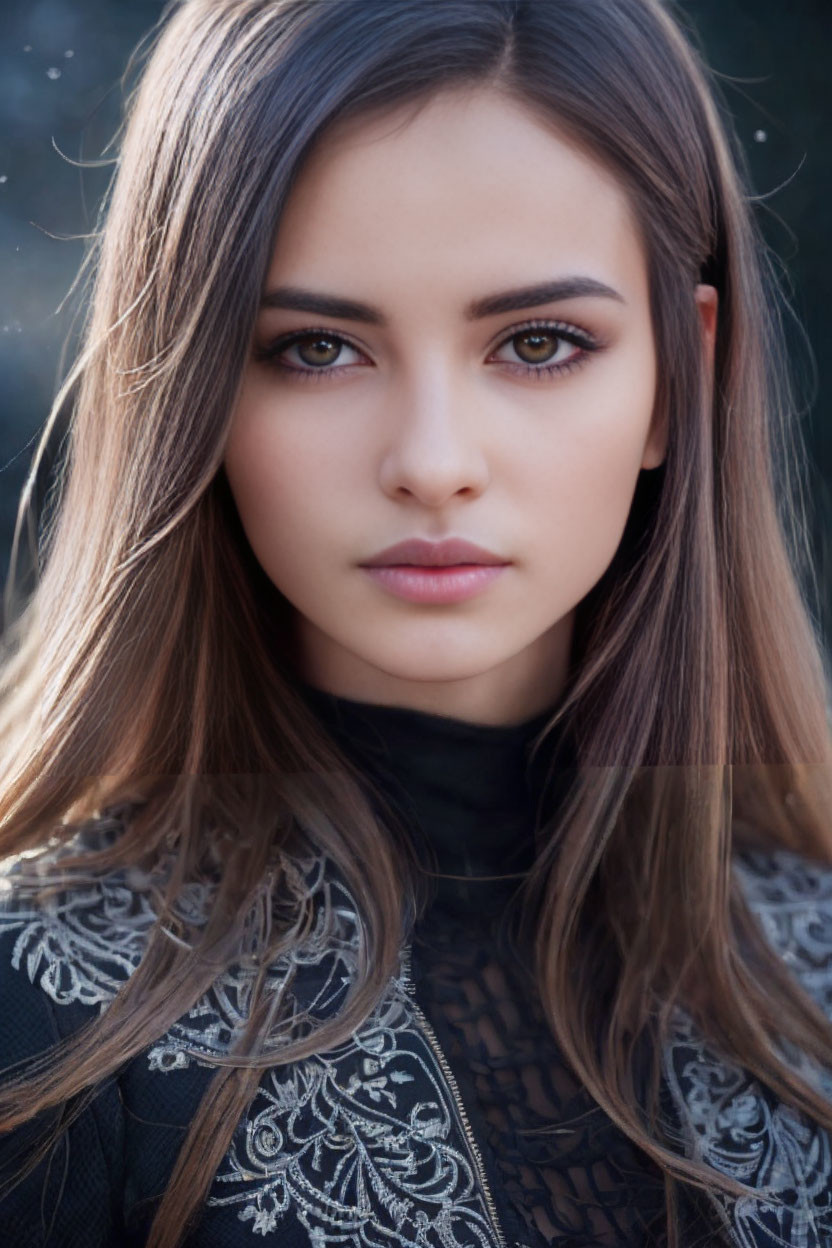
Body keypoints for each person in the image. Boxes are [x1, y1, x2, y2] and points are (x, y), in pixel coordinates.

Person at [0, 0, 831, 1245]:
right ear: (190, 384)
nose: (432, 462)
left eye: (539, 342)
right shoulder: (41, 1011)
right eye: (317, 348)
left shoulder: (813, 968)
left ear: (682, 380)